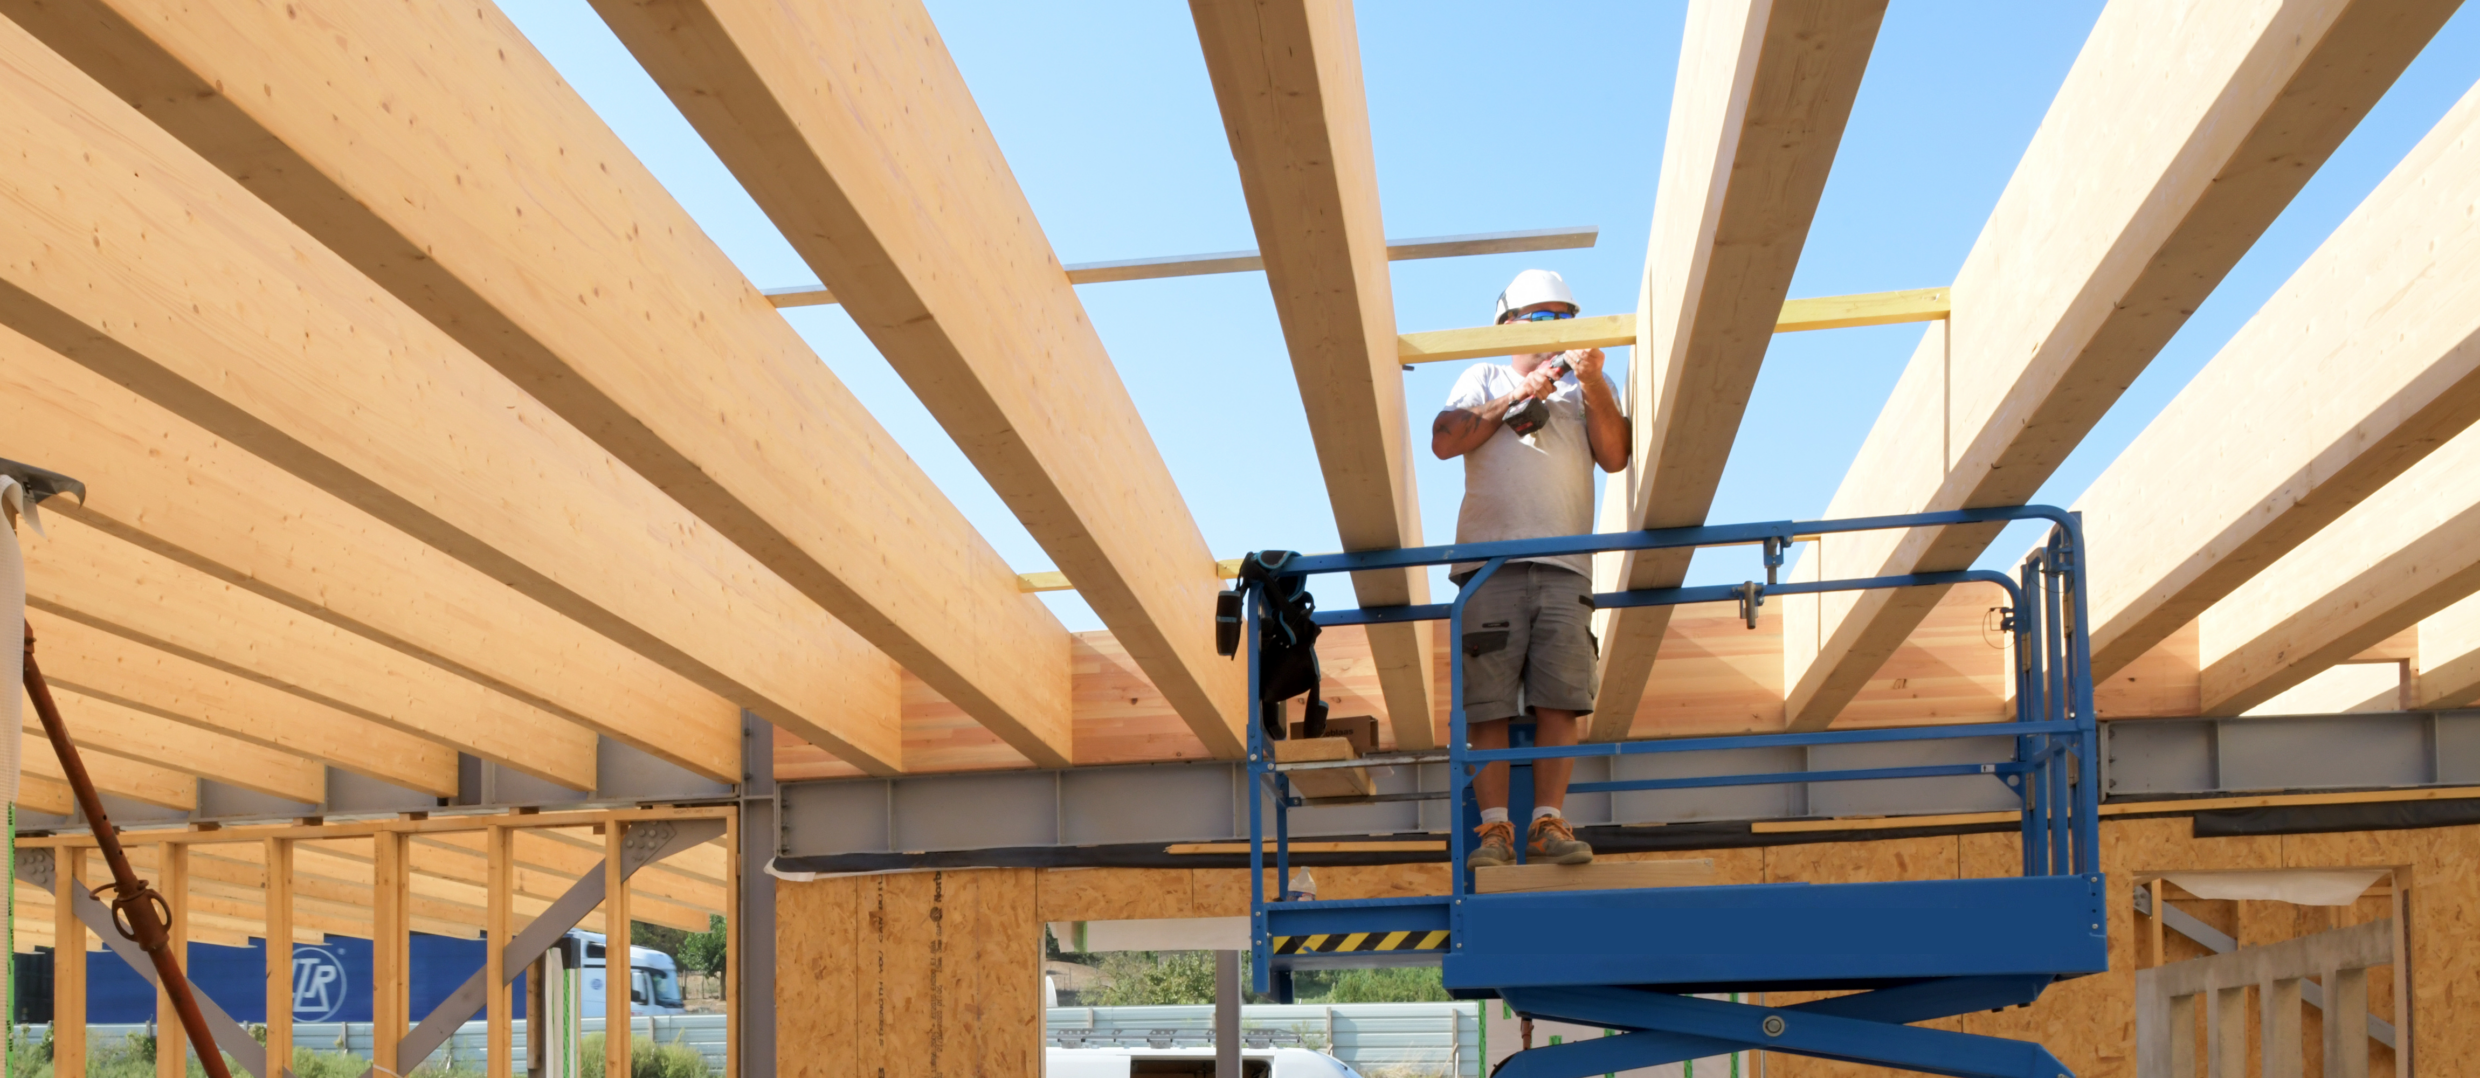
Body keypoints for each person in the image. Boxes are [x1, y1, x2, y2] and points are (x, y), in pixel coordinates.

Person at [1429, 268, 1630, 868]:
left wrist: (1591, 382)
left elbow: (1615, 456)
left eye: (1566, 317)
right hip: (1488, 567)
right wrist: (1520, 392)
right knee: (1487, 705)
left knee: (1559, 701)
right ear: (1507, 325)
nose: (1557, 329)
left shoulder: (1588, 389)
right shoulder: (1482, 376)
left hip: (1565, 566)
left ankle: (1548, 820)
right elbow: (1445, 440)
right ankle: (1495, 831)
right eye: (1541, 317)